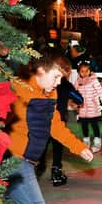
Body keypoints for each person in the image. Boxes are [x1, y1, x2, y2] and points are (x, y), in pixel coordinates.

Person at [1, 55, 94, 204]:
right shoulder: (18, 87)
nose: (58, 84)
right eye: (55, 77)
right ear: (41, 71)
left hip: (28, 160)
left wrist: (78, 147)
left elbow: (56, 126)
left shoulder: (49, 92)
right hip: (12, 157)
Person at [37, 55, 84, 187]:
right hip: (58, 121)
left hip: (42, 121)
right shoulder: (66, 85)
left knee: (42, 147)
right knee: (57, 147)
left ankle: (37, 170)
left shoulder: (42, 82)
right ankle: (56, 172)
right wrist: (72, 100)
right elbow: (79, 99)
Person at [74, 60, 102, 153]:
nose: (85, 73)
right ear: (78, 72)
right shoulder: (78, 81)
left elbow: (100, 92)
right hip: (83, 108)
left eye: (87, 71)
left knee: (95, 125)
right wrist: (75, 102)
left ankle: (97, 142)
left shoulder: (94, 80)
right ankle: (86, 141)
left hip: (93, 108)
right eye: (82, 71)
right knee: (84, 125)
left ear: (90, 71)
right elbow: (74, 92)